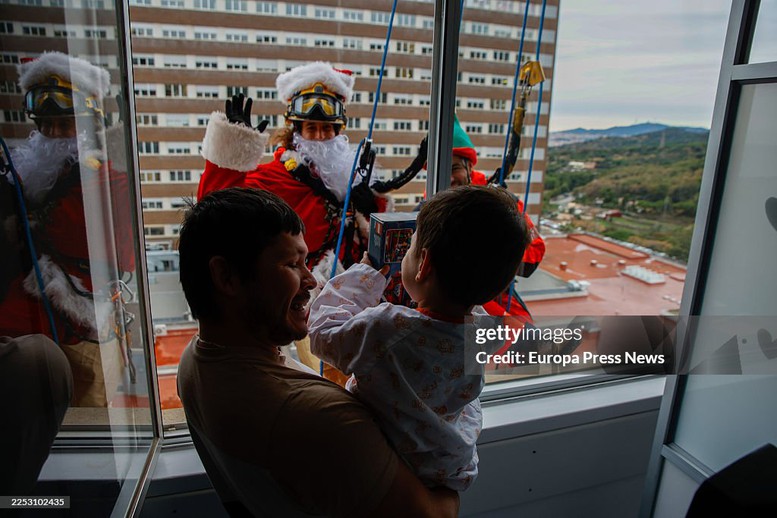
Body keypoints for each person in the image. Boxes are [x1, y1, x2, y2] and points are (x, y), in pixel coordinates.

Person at [176, 187, 459, 517]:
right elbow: (433, 515)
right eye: (292, 264)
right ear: (226, 276)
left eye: (306, 262)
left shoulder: (195, 361)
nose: (311, 280)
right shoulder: (320, 418)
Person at [309, 186, 531, 491]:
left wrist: (365, 275)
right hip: (444, 466)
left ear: (423, 264)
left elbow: (322, 334)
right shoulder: (483, 332)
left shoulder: (387, 327)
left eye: (410, 247)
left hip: (381, 464)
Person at [0, 51, 135, 406]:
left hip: (81, 324)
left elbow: (126, 253)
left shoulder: (105, 181)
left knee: (87, 411)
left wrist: (122, 162)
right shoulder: (23, 178)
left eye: (65, 124)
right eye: (44, 125)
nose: (52, 134)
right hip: (24, 323)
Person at [198, 61, 389, 276]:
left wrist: (371, 210)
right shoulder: (274, 177)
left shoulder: (352, 178)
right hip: (292, 293)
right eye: (311, 128)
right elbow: (214, 213)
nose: (320, 137)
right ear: (297, 132)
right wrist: (233, 151)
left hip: (351, 288)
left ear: (338, 132)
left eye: (327, 128)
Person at [414, 116, 546, 319]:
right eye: (438, 170)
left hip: (491, 296)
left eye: (455, 168)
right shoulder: (424, 208)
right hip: (439, 300)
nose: (448, 178)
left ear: (469, 167)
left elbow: (533, 256)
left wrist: (491, 251)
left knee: (523, 337)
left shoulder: (498, 202)